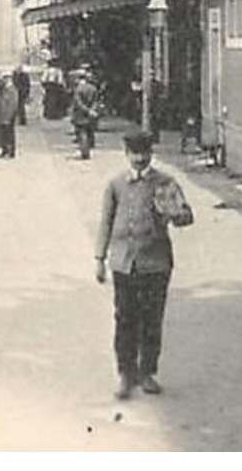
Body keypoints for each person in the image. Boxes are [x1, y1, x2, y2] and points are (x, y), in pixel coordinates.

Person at [94, 130, 194, 400]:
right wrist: (99, 259)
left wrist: (175, 213)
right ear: (126, 154)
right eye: (134, 154)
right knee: (125, 318)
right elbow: (105, 222)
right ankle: (126, 374)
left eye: (144, 153)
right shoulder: (116, 184)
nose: (139, 159)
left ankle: (147, 372)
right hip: (124, 262)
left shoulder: (165, 183)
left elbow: (186, 217)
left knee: (151, 319)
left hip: (156, 263)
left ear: (151, 153)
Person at [69, 71, 101, 160]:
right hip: (91, 116)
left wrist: (87, 110)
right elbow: (96, 101)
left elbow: (78, 103)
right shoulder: (93, 88)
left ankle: (84, 150)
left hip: (80, 115)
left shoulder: (78, 89)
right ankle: (88, 147)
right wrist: (93, 110)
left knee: (80, 132)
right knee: (90, 131)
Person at [0, 71, 20, 158]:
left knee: (9, 134)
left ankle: (10, 152)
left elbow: (12, 104)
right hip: (3, 115)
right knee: (4, 134)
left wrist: (9, 116)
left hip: (8, 115)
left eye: (6, 78)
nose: (4, 80)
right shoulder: (4, 88)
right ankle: (5, 151)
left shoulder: (11, 89)